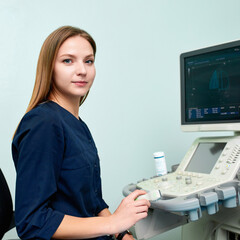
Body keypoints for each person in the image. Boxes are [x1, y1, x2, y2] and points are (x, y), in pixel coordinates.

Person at [12, 26, 150, 240]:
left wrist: (121, 234)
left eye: (89, 61)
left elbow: (93, 202)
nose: (82, 70)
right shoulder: (44, 123)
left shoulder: (76, 124)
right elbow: (32, 221)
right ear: (50, 67)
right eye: (68, 61)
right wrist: (113, 222)